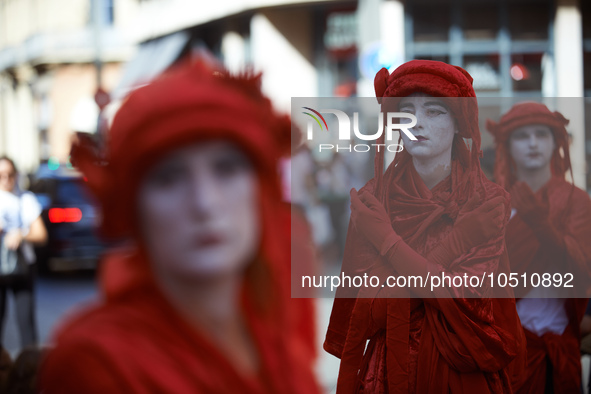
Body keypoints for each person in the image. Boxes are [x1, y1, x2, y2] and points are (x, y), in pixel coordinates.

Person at [39, 61, 321, 393]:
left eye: (226, 168)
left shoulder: (277, 337)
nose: (205, 202)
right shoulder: (97, 363)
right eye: (169, 177)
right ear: (135, 207)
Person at [324, 60, 525, 393]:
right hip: (388, 374)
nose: (416, 124)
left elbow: (466, 301)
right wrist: (454, 247)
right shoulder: (374, 200)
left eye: (434, 111)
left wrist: (386, 241)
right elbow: (365, 314)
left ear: (459, 122)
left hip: (461, 372)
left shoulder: (486, 201)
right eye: (406, 112)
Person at [487, 102, 591, 393]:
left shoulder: (576, 202)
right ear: (507, 145)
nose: (533, 144)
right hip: (506, 351)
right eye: (522, 136)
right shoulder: (490, 205)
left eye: (541, 134)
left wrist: (538, 223)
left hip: (559, 350)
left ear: (554, 141)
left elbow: (581, 271)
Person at [0, 156, 47, 349]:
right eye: (1, 175)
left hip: (22, 268)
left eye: (10, 175)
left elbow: (41, 234)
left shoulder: (26, 199)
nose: (6, 179)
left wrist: (21, 234)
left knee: (26, 324)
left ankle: (29, 374)